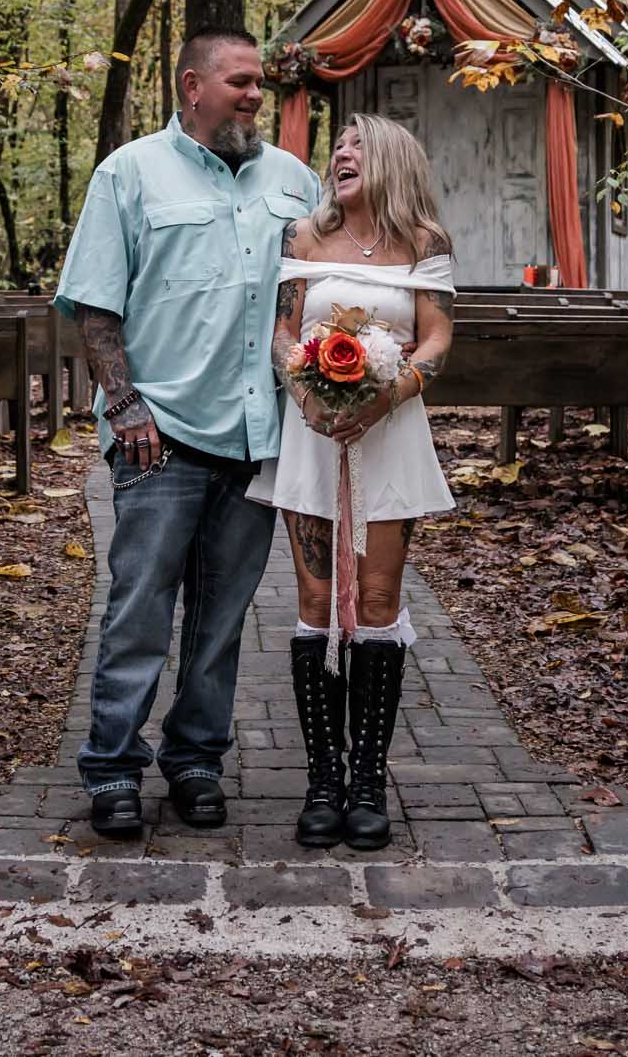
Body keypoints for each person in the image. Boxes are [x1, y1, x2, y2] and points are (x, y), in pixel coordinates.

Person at [52, 28, 321, 838]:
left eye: (259, 84)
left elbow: (319, 291)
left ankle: (197, 758)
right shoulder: (129, 172)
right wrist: (124, 403)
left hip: (255, 435)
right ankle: (112, 767)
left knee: (222, 616)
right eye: (238, 82)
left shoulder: (294, 181)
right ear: (191, 85)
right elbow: (96, 301)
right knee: (139, 609)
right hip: (158, 434)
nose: (253, 95)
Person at [247, 114, 457, 850]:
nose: (341, 153)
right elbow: (283, 330)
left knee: (374, 600)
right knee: (313, 598)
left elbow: (436, 339)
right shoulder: (302, 237)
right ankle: (322, 782)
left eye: (358, 145)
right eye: (337, 146)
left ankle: (368, 778)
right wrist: (304, 392)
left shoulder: (424, 242)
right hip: (310, 435)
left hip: (391, 431)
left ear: (392, 159)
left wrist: (385, 393)